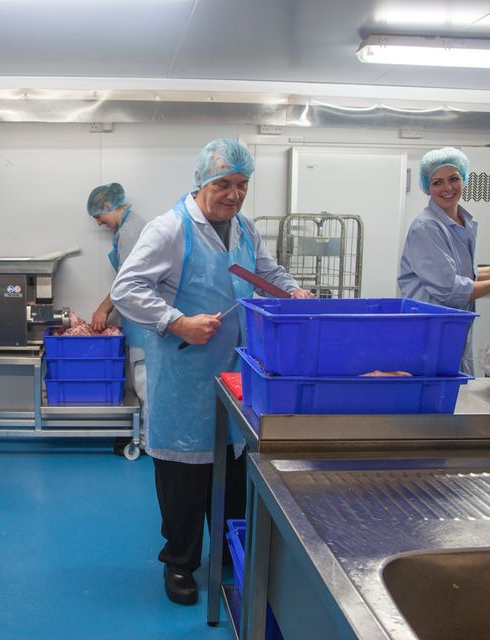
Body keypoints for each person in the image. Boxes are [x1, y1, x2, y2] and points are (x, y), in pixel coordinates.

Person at [111, 139, 311, 605]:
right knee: (184, 478)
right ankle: (180, 564)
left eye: (242, 185)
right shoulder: (171, 229)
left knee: (233, 468)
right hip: (184, 371)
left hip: (235, 372)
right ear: (202, 182)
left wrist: (293, 290)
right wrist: (176, 320)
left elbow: (266, 271)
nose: (235, 194)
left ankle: (228, 554)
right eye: (224, 184)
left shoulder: (243, 227)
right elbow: (126, 289)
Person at [399, 147, 490, 375]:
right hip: (430, 329)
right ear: (427, 187)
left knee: (455, 388)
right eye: (437, 182)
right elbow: (449, 288)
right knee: (435, 395)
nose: (447, 188)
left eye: (454, 179)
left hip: (453, 327)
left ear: (463, 179)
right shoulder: (426, 227)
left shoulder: (462, 221)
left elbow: (460, 273)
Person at [86, 183, 149, 453]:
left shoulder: (131, 231)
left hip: (145, 322)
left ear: (109, 207)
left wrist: (103, 309)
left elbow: (127, 280)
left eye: (98, 216)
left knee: (147, 384)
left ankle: (148, 441)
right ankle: (144, 434)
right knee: (143, 382)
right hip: (137, 318)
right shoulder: (127, 228)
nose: (99, 223)